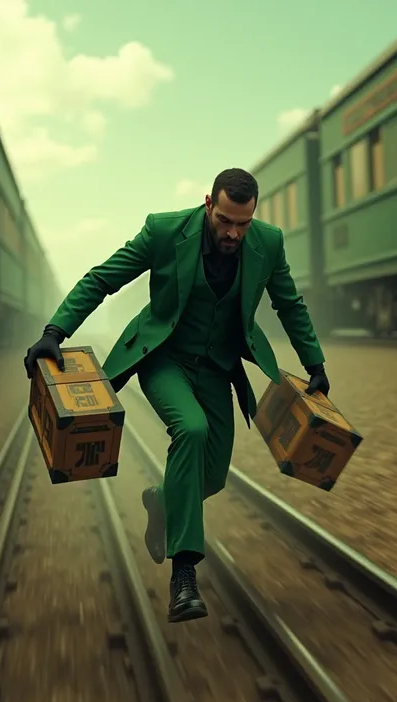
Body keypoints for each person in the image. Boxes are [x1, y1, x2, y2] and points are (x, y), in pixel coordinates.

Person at [24, 168, 330, 624]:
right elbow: (103, 278)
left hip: (217, 369)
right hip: (164, 358)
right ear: (210, 203)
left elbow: (290, 303)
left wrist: (315, 363)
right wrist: (54, 331)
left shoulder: (269, 242)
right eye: (225, 220)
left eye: (242, 224)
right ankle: (184, 576)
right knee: (191, 428)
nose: (233, 233)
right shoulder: (164, 231)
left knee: (213, 476)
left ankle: (161, 501)